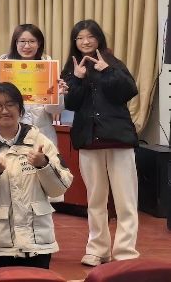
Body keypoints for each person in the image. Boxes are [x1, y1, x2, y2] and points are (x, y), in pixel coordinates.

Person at [0, 83, 72, 270]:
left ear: (20, 108)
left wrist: (44, 165)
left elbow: (59, 188)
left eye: (10, 104)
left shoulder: (40, 141)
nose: (5, 110)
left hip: (37, 242)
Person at [63, 19, 139, 266]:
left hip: (118, 139)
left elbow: (128, 91)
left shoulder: (113, 62)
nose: (85, 42)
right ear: (74, 42)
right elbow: (71, 104)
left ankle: (126, 251)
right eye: (80, 38)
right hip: (88, 139)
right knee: (95, 200)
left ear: (98, 38)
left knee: (126, 200)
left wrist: (107, 70)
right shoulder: (72, 67)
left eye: (90, 37)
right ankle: (98, 249)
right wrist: (76, 79)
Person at [0, 24, 63, 147]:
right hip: (10, 132)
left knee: (43, 159)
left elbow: (54, 110)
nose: (27, 46)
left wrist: (57, 94)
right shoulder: (2, 67)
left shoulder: (49, 68)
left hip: (42, 133)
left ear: (39, 43)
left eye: (32, 41)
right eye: (22, 41)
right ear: (15, 43)